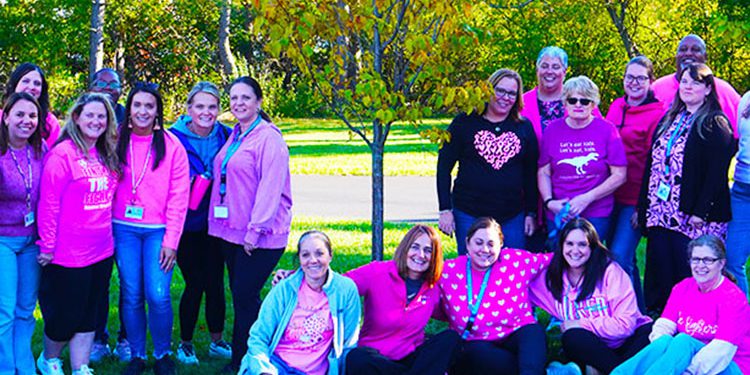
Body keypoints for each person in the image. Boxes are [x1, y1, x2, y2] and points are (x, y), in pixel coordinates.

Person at [208, 76, 292, 373]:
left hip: (260, 235)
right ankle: (256, 354)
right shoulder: (237, 134)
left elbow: (270, 188)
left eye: (245, 97)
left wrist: (255, 231)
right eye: (233, 98)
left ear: (258, 102)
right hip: (232, 232)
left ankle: (247, 359)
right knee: (243, 297)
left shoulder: (269, 137)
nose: (238, 103)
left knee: (245, 297)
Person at [638, 63, 735, 315]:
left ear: (707, 89)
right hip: (661, 212)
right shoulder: (671, 118)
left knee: (689, 274)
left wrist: (700, 212)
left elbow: (716, 175)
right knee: (660, 271)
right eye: (683, 81)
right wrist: (643, 209)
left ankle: (692, 323)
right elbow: (654, 164)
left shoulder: (715, 123)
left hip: (692, 216)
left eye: (695, 82)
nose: (688, 86)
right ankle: (658, 321)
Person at [35, 93, 121, 375]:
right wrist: (47, 245)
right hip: (67, 254)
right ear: (76, 118)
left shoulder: (106, 153)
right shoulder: (62, 154)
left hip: (101, 250)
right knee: (64, 314)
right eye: (90, 115)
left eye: (102, 116)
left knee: (90, 314)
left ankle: (81, 366)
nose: (96, 121)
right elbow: (49, 203)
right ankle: (50, 361)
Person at [113, 83, 189, 375]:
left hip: (159, 230)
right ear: (129, 109)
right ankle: (136, 354)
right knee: (131, 292)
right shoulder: (116, 140)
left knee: (157, 293)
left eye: (149, 106)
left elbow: (179, 197)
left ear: (157, 111)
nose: (143, 111)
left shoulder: (171, 146)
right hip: (123, 229)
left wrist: (172, 241)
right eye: (137, 105)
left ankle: (162, 353)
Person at [612, 235, 750, 375]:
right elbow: (664, 326)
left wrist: (686, 371)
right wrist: (664, 357)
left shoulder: (733, 298)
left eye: (708, 260)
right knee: (665, 340)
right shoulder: (683, 287)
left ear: (721, 263)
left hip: (728, 365)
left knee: (683, 341)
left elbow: (721, 351)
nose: (700, 265)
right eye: (695, 259)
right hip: (685, 358)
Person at [530, 218, 652, 374]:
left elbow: (626, 325)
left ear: (592, 247)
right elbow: (516, 284)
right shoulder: (550, 278)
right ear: (561, 246)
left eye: (582, 244)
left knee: (651, 333)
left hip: (629, 340)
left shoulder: (610, 271)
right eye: (569, 244)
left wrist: (581, 323)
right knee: (572, 337)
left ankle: (600, 370)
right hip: (591, 346)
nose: (575, 250)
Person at [437, 68, 538, 254]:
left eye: (511, 93)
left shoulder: (524, 127)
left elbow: (530, 174)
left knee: (512, 271)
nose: (505, 97)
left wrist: (531, 213)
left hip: (512, 214)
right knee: (473, 268)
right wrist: (445, 209)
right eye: (500, 90)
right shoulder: (464, 123)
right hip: (468, 212)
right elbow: (444, 167)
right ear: (488, 90)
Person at [169, 81, 232, 364]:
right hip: (186, 224)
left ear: (219, 109)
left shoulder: (229, 136)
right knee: (195, 282)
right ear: (189, 108)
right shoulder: (173, 138)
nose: (206, 112)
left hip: (219, 223)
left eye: (212, 106)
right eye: (200, 106)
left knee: (216, 282)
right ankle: (185, 343)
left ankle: (217, 341)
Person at [439, 217, 551, 374]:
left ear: (501, 245)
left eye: (491, 244)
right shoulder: (448, 270)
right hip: (476, 344)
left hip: (516, 335)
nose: (484, 250)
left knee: (533, 332)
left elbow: (555, 260)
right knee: (477, 353)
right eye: (478, 243)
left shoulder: (515, 261)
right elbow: (419, 278)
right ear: (467, 243)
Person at [239, 231, 361, 375]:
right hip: (276, 366)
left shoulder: (345, 290)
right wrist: (264, 371)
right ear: (299, 259)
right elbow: (259, 336)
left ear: (330, 255)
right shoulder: (285, 289)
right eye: (305, 255)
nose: (313, 260)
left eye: (319, 253)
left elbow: (349, 342)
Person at [344, 225, 460, 375]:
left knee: (450, 339)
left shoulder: (435, 287)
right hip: (376, 359)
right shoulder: (378, 272)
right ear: (405, 248)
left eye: (428, 250)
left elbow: (454, 312)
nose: (421, 255)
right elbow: (342, 286)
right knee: (356, 358)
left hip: (411, 359)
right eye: (415, 247)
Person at [605, 56, 664, 312]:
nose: (634, 82)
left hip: (634, 199)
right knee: (622, 259)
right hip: (607, 195)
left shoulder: (658, 113)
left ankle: (629, 317)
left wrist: (644, 206)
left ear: (651, 82)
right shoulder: (616, 106)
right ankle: (639, 312)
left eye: (641, 78)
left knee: (619, 257)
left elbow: (656, 164)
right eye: (630, 77)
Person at [538, 76, 627, 243]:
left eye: (585, 101)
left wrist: (587, 198)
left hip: (596, 213)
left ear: (593, 104)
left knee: (592, 262)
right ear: (564, 102)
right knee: (560, 262)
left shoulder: (607, 130)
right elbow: (543, 171)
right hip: (560, 211)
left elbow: (620, 175)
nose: (578, 105)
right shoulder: (552, 130)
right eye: (572, 100)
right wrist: (549, 202)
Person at [88, 67, 130, 363]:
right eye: (101, 83)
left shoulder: (132, 118)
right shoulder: (87, 117)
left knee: (130, 281)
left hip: (129, 216)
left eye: (113, 83)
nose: (107, 87)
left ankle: (127, 339)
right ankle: (98, 338)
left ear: (121, 89)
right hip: (95, 216)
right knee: (98, 282)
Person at [0, 92, 44, 375]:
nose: (26, 121)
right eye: (19, 114)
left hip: (32, 241)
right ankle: (5, 367)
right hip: (2, 240)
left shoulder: (41, 152)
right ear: (5, 117)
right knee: (4, 311)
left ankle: (23, 364)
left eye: (32, 115)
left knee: (26, 309)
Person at [651, 34, 741, 133]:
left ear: (705, 57)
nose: (688, 53)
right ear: (676, 55)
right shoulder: (657, 88)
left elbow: (739, 132)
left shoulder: (725, 91)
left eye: (695, 49)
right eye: (683, 49)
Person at [726, 91, 750, 295]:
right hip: (742, 190)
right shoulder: (747, 99)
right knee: (732, 260)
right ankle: (743, 323)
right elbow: (737, 142)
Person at [1, 62, 60, 144]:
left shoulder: (50, 122)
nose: (32, 87)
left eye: (37, 83)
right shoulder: (1, 116)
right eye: (26, 81)